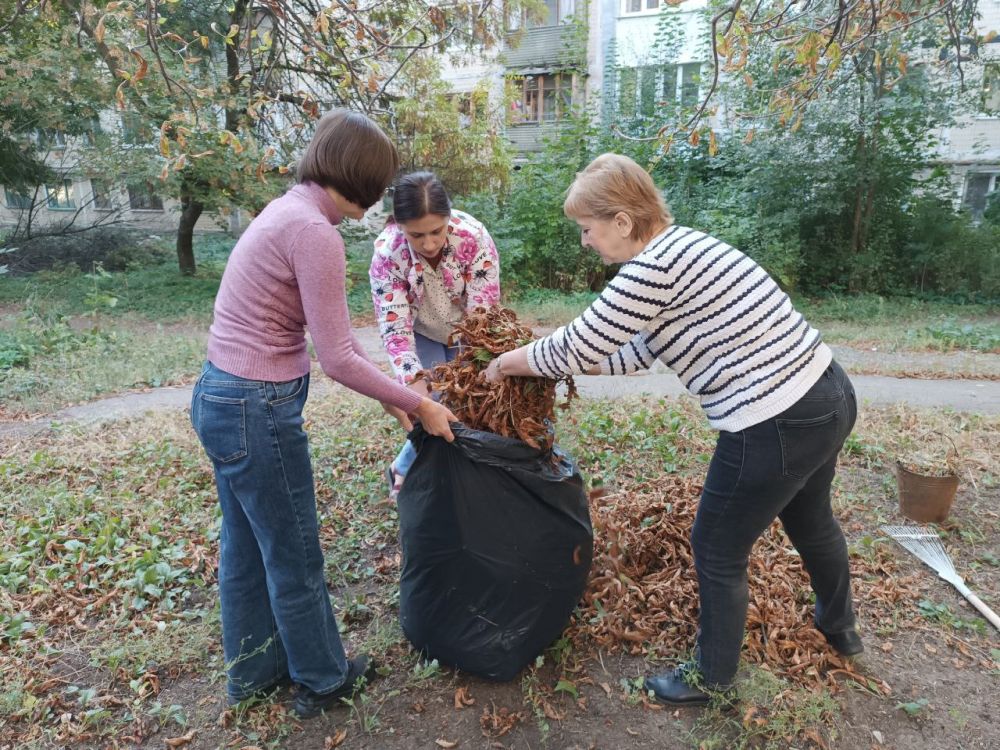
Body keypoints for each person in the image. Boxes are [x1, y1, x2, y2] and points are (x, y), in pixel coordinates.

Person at [484, 153, 861, 706]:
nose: (585, 242)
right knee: (812, 519)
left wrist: (508, 363)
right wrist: (551, 360)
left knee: (715, 546)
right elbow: (631, 353)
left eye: (588, 230)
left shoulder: (652, 267)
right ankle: (840, 626)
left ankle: (713, 677)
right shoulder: (684, 248)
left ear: (620, 221)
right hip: (826, 392)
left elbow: (581, 343)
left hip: (773, 418)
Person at [190, 110, 458, 719]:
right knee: (293, 552)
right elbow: (337, 357)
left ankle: (254, 675)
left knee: (245, 548)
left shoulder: (286, 211)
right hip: (257, 408)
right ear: (360, 176)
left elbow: (333, 349)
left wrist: (402, 405)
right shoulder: (313, 232)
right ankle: (323, 678)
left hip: (221, 398)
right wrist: (418, 402)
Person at [369, 171, 501, 497]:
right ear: (399, 225)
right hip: (421, 331)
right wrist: (414, 388)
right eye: (416, 235)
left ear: (448, 217)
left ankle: (462, 478)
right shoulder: (388, 253)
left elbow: (482, 314)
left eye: (436, 231)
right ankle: (403, 471)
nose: (428, 243)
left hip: (465, 329)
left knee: (469, 403)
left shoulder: (473, 238)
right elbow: (395, 328)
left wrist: (477, 365)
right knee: (430, 408)